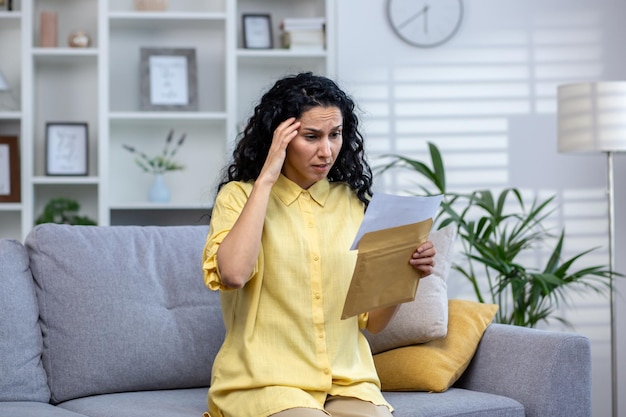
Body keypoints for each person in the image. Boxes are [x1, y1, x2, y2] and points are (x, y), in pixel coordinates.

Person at [202, 72, 436, 417]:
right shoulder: (238, 197)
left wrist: (406, 272)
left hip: (348, 380)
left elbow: (374, 322)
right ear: (279, 138)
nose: (326, 151)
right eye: (311, 137)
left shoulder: (354, 203)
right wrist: (267, 178)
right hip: (267, 382)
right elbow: (234, 274)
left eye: (335, 135)